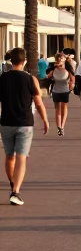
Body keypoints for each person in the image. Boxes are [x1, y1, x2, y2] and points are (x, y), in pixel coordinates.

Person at [0, 46, 49, 205]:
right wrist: (45, 120)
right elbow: (38, 103)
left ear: (11, 61)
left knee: (9, 156)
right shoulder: (30, 79)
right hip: (25, 123)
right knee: (21, 157)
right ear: (24, 61)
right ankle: (16, 191)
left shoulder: (2, 78)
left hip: (6, 122)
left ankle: (13, 184)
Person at [46, 52, 74, 136]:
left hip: (65, 91)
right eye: (58, 58)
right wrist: (51, 72)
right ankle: (59, 128)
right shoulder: (53, 68)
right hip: (56, 91)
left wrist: (71, 87)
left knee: (64, 110)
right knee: (57, 109)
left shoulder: (68, 69)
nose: (60, 59)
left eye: (62, 58)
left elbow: (73, 79)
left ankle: (62, 126)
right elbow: (48, 76)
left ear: (65, 59)